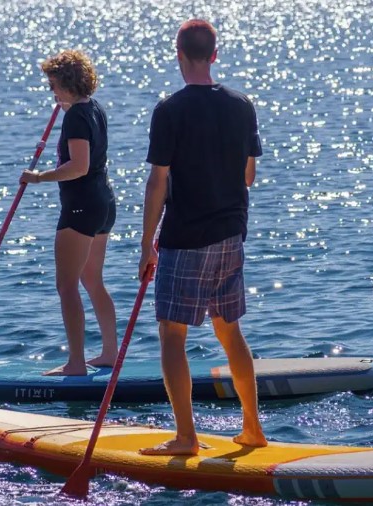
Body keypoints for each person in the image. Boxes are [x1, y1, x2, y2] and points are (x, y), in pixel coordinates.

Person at [137, 19, 267, 455]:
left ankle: (187, 437)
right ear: (215, 54)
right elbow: (248, 175)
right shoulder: (242, 105)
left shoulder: (168, 110)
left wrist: (145, 243)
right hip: (231, 233)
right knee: (230, 331)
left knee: (172, 336)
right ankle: (252, 429)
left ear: (179, 54)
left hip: (185, 237)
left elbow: (158, 183)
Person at [20, 50, 117, 376]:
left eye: (54, 85)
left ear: (67, 83)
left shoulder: (75, 116)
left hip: (82, 206)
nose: (52, 92)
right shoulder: (94, 109)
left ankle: (76, 363)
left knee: (67, 284)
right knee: (92, 280)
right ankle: (109, 353)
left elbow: (79, 166)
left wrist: (39, 178)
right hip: (104, 202)